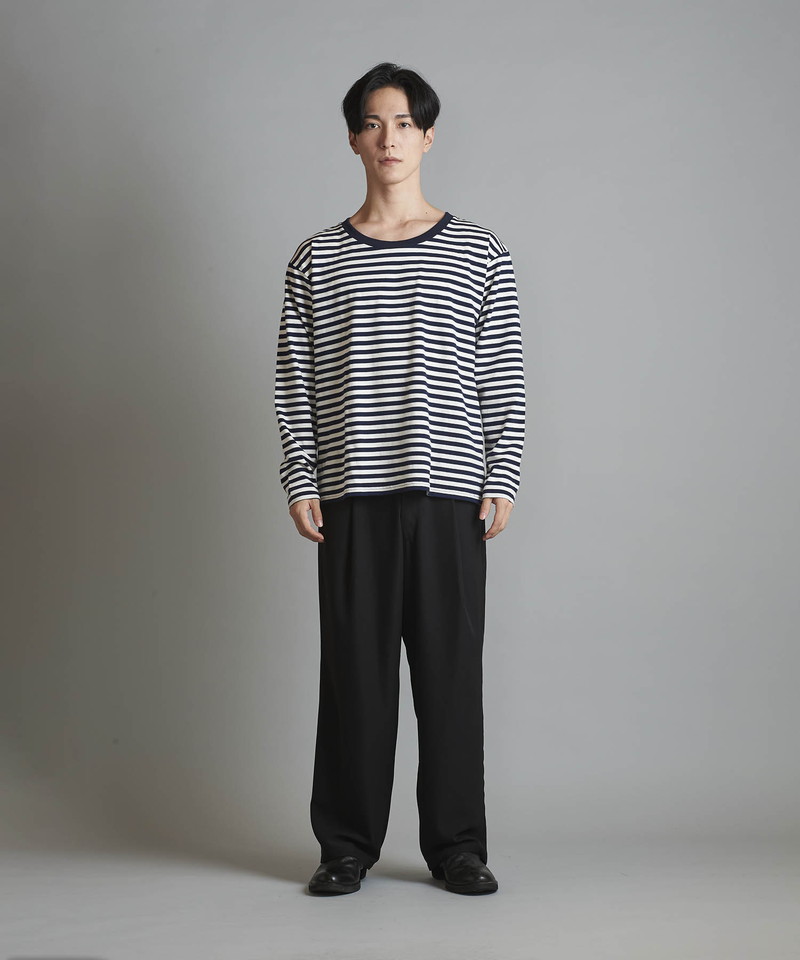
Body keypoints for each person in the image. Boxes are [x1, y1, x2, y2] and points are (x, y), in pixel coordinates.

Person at [274, 61, 526, 896]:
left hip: (451, 494)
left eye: (406, 123)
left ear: (428, 136)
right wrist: (300, 477)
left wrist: (503, 473)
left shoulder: (479, 251)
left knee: (451, 678)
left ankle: (458, 847)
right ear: (353, 139)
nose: (391, 138)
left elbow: (501, 373)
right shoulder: (316, 257)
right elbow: (296, 380)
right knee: (355, 679)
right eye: (375, 123)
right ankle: (345, 846)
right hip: (352, 497)